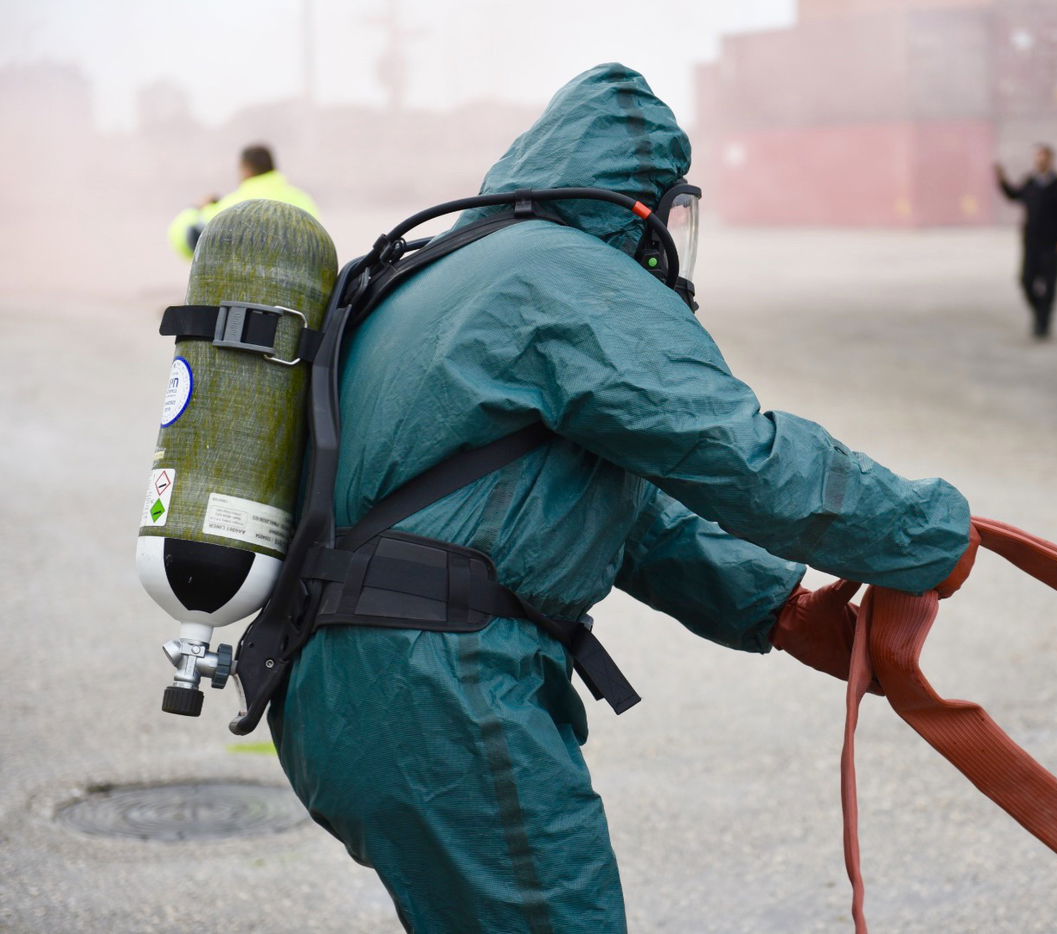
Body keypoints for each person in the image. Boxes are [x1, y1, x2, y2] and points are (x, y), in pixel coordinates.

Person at [267, 63, 978, 933]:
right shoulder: (568, 279)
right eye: (672, 211)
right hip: (442, 688)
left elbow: (610, 501)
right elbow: (741, 455)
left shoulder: (442, 270)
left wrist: (776, 608)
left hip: (342, 691)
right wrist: (930, 535)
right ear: (637, 204)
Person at [166, 143, 318, 258]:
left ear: (246, 170)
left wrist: (195, 208)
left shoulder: (232, 205)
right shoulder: (303, 200)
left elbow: (185, 239)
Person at [995, 145, 1057, 340]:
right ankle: (1039, 313)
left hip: (1052, 244)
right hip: (1031, 243)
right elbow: (1014, 196)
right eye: (1037, 158)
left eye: (1044, 158)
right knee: (1025, 281)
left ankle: (1043, 322)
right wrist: (1002, 180)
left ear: (1051, 160)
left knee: (1050, 285)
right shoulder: (1030, 182)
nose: (1040, 161)